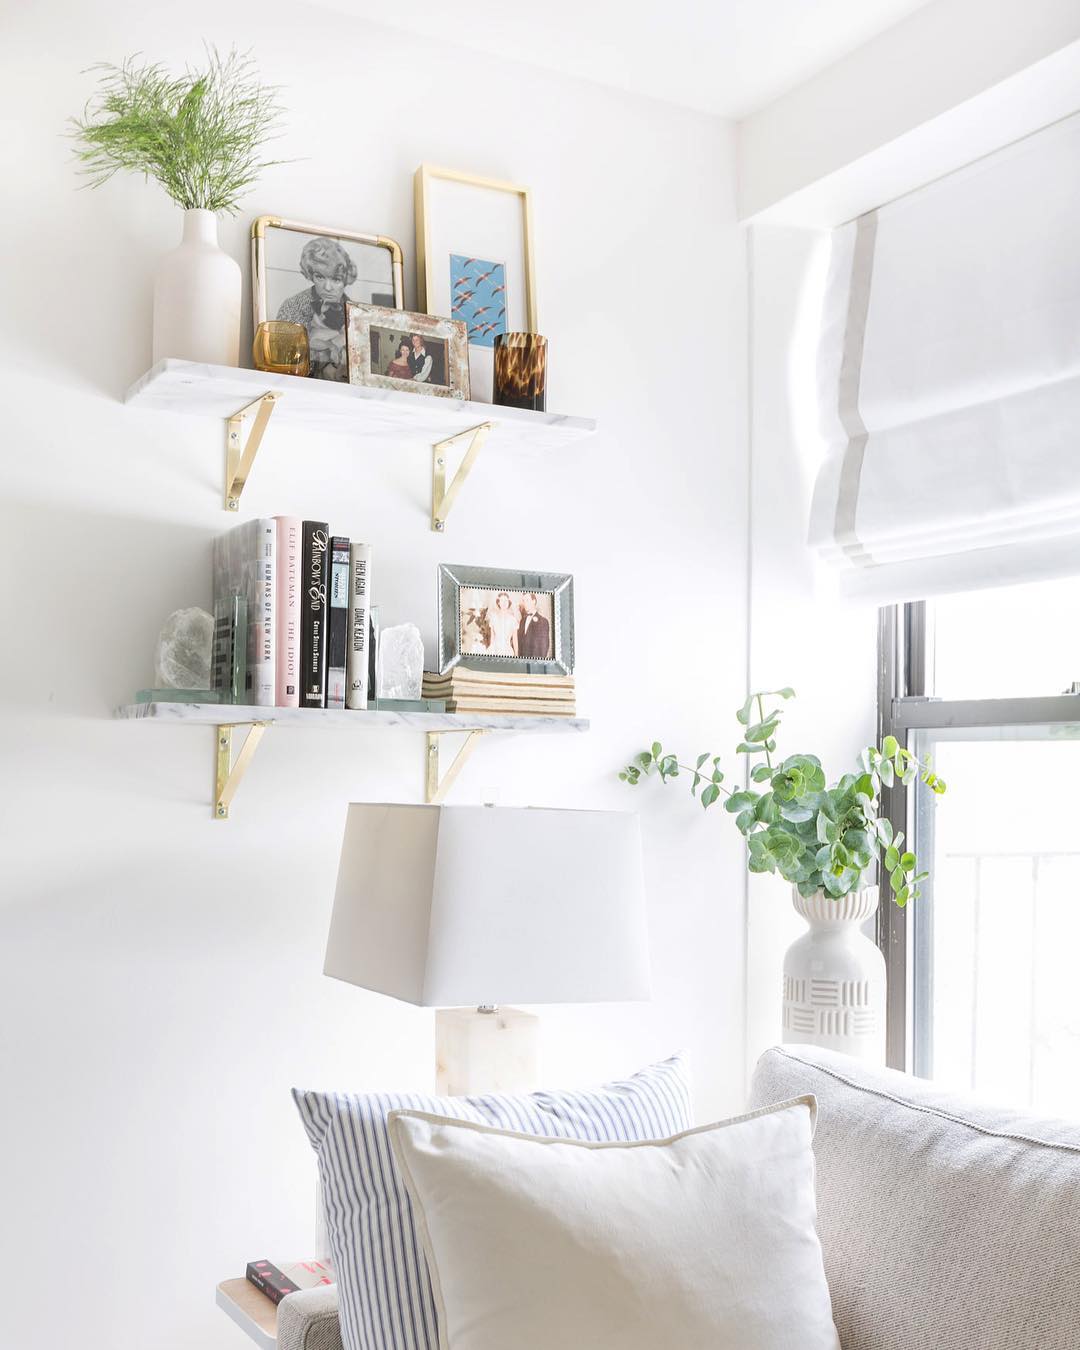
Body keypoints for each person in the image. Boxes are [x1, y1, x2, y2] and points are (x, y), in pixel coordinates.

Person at [276, 237, 358, 381]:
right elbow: (284, 362)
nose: (327, 287)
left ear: (345, 280)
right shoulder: (293, 306)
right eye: (320, 277)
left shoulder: (358, 315)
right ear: (310, 275)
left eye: (336, 279)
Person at [517, 592, 551, 660]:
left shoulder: (543, 621)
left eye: (527, 600)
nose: (525, 603)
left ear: (534, 601)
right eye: (523, 601)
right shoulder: (522, 621)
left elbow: (544, 647)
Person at [487, 592, 519, 656]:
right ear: (498, 602)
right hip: (494, 650)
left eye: (506, 601)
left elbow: (515, 639)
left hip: (507, 651)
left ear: (509, 602)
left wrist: (516, 654)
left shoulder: (513, 620)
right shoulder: (493, 617)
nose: (504, 603)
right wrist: (491, 650)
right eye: (501, 600)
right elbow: (492, 637)